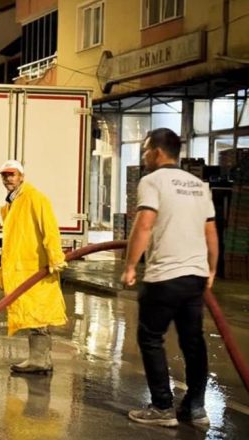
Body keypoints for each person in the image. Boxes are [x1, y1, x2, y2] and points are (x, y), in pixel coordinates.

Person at [122, 128, 218, 428]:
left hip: (165, 275)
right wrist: (211, 270)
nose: (143, 155)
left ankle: (163, 407)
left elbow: (145, 225)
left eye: (145, 150)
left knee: (150, 338)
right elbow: (210, 231)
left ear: (157, 152)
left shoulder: (152, 181)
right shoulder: (199, 185)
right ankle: (196, 409)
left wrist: (130, 266)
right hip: (195, 276)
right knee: (193, 342)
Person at [0, 160, 68, 375]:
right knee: (31, 314)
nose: (8, 178)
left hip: (35, 269)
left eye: (12, 174)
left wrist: (55, 258)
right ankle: (40, 359)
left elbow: (50, 229)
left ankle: (39, 360)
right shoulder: (11, 203)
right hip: (22, 270)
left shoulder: (35, 198)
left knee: (38, 314)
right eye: (4, 175)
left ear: (21, 176)